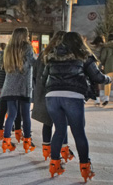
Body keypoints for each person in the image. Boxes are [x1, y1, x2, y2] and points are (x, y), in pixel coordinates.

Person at [43, 32, 111, 181]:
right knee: (78, 132)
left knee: (59, 131)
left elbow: (44, 75)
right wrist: (109, 78)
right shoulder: (83, 55)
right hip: (72, 96)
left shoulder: (52, 56)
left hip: (52, 97)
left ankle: (54, 164)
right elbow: (97, 77)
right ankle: (85, 167)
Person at [31, 31, 74, 162]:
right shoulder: (64, 55)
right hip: (58, 91)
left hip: (44, 91)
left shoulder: (43, 54)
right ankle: (63, 148)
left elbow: (36, 73)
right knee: (61, 123)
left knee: (47, 122)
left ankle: (46, 149)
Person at [0, 27, 36, 154]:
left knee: (11, 115)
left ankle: (6, 141)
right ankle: (27, 141)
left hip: (10, 86)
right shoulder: (27, 47)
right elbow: (31, 63)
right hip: (23, 86)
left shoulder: (8, 49)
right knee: (26, 115)